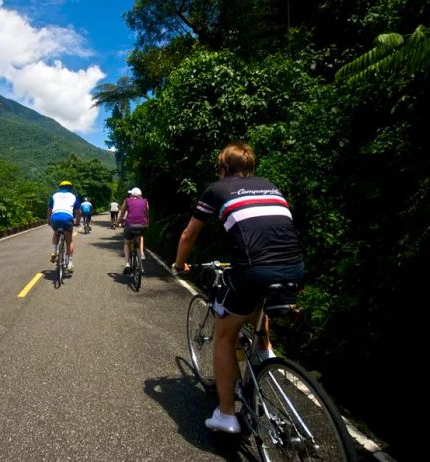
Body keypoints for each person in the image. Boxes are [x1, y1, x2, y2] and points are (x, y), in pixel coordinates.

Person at [172, 141, 303, 434]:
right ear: (252, 168)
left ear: (223, 168)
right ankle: (265, 351)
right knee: (257, 299)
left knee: (224, 336)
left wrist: (180, 265)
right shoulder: (271, 186)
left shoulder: (217, 189)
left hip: (252, 270)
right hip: (294, 266)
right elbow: (269, 230)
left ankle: (226, 414)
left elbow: (189, 234)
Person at [47, 181, 81, 272]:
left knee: (56, 233)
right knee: (69, 241)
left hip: (55, 217)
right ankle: (69, 263)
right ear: (70, 188)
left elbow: (49, 209)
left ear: (60, 187)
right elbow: (78, 212)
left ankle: (54, 251)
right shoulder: (73, 196)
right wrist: (77, 222)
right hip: (67, 218)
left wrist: (49, 220)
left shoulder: (54, 195)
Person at [118, 187, 149, 274]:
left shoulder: (127, 200)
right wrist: (146, 224)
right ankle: (142, 253)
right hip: (143, 225)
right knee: (140, 236)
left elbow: (122, 213)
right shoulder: (145, 201)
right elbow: (146, 214)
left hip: (130, 225)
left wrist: (118, 222)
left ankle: (127, 264)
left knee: (127, 243)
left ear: (132, 194)